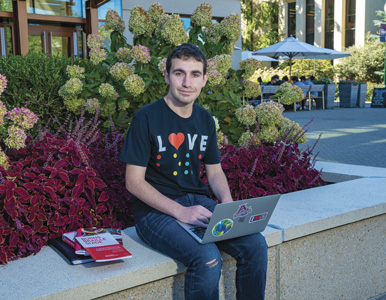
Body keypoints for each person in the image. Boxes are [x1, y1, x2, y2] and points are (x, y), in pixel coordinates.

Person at [119, 43, 268, 300]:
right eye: (179, 73)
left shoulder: (205, 119)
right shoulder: (146, 117)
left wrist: (228, 203)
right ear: (167, 76)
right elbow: (133, 182)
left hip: (197, 202)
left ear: (204, 79)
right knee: (207, 258)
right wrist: (180, 211)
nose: (187, 82)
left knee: (256, 245)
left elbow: (215, 172)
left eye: (195, 74)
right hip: (154, 213)